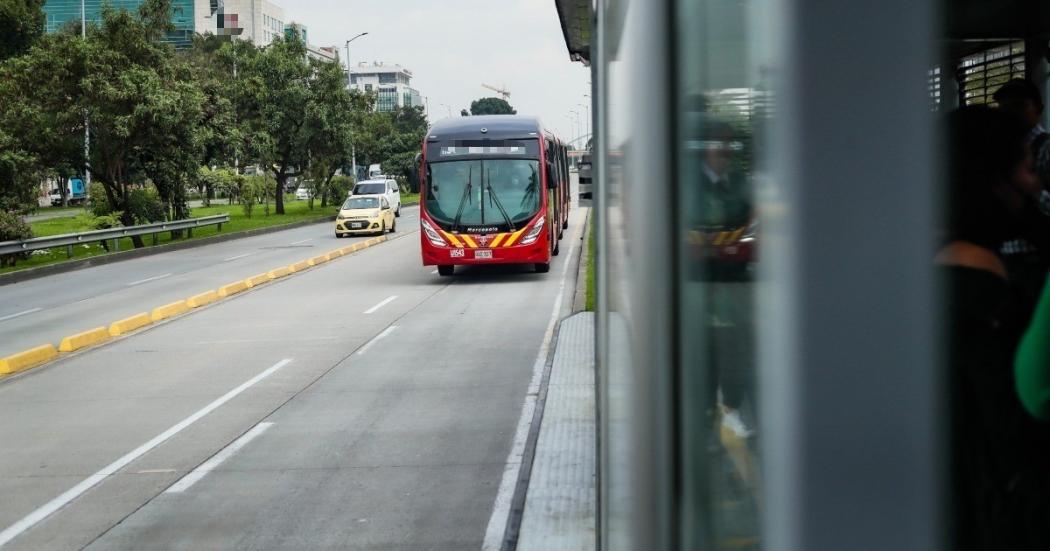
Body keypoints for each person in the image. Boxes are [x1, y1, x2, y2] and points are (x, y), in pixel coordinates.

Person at [941, 105, 1050, 550]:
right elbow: (1027, 403)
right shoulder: (979, 279)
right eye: (1025, 166)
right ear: (990, 177)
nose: (1034, 180)